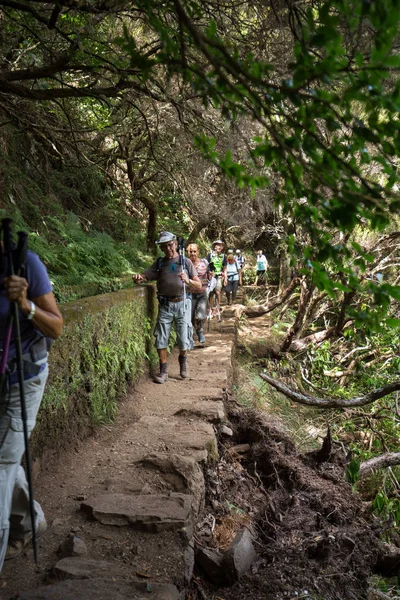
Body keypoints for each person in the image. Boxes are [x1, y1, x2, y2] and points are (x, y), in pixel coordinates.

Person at [0, 244, 63, 570]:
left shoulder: (25, 264)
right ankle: (29, 521)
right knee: (5, 460)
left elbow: (55, 326)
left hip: (23, 378)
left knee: (1, 465)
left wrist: (24, 304)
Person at [133, 232, 201, 384]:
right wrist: (138, 277)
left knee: (183, 339)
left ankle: (183, 359)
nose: (168, 249)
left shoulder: (185, 262)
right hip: (165, 305)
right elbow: (145, 276)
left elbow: (199, 285)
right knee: (161, 339)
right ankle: (164, 371)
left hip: (182, 304)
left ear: (176, 244)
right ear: (161, 248)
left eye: (170, 245)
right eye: (164, 246)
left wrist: (187, 279)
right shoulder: (160, 263)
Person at [186, 243, 209, 345]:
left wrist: (210, 277)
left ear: (198, 252)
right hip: (190, 294)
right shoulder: (185, 263)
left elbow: (209, 277)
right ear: (188, 252)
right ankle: (189, 338)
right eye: (191, 251)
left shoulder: (204, 263)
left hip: (202, 293)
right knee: (189, 317)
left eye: (194, 251)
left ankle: (199, 331)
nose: (193, 253)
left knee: (200, 315)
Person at [206, 240, 227, 315]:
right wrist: (209, 273)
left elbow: (224, 268)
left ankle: (218, 306)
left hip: (219, 276)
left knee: (218, 291)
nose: (219, 247)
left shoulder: (224, 256)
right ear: (214, 247)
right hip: (211, 276)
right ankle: (211, 308)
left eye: (221, 245)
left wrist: (226, 278)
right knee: (211, 293)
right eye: (217, 245)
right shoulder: (210, 255)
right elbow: (206, 265)